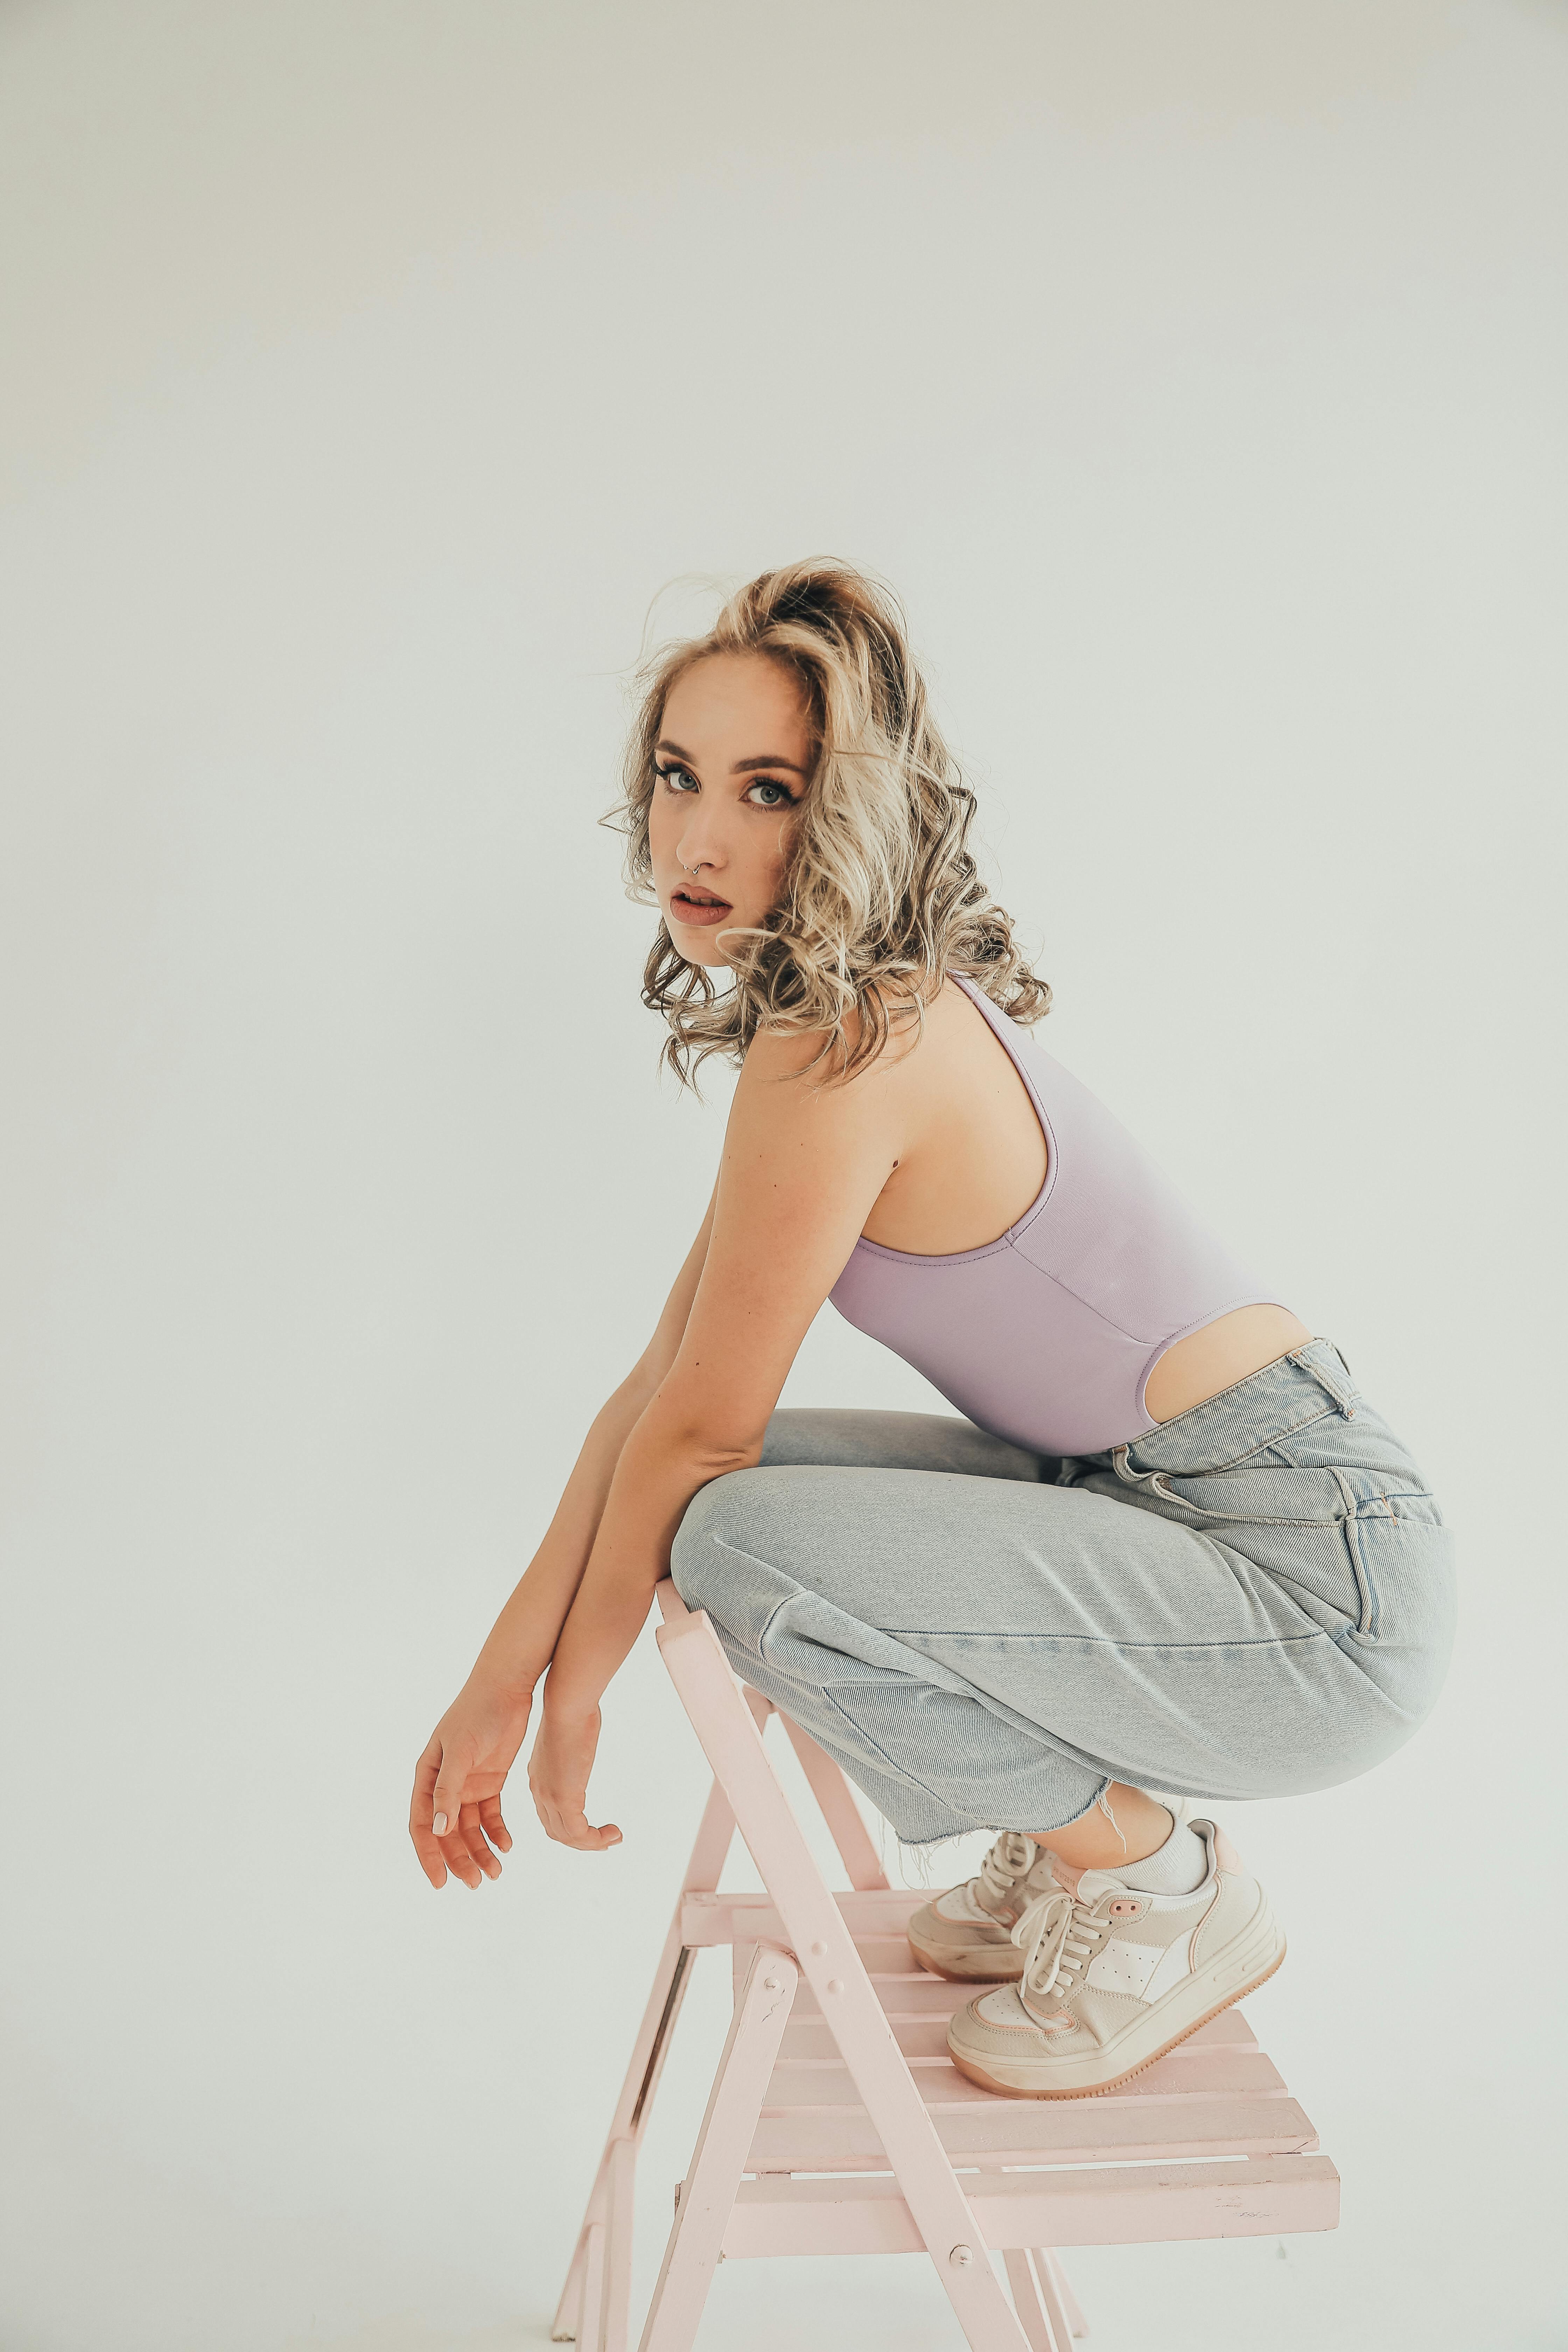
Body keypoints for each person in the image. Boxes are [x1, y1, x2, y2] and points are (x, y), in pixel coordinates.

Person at [408, 561, 1455, 2099]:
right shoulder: (827, 1013)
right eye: (676, 775)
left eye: (765, 790)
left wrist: (576, 1697)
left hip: (1306, 1585)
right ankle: (1071, 1849)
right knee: (718, 1502)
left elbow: (700, 1437)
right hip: (1162, 1502)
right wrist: (502, 1680)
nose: (697, 835)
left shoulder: (850, 1040)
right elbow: (662, 1395)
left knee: (731, 1534)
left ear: (845, 811)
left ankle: (1151, 1883)